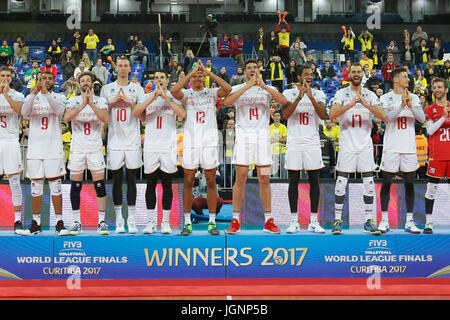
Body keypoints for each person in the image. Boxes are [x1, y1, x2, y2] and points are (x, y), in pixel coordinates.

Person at [223, 59, 287, 234]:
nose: (252, 70)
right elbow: (227, 103)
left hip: (262, 139)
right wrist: (248, 85)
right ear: (245, 71)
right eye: (249, 68)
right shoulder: (237, 88)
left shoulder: (267, 89)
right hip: (243, 137)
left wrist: (263, 86)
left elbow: (283, 101)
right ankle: (235, 219)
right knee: (241, 177)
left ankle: (268, 220)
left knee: (264, 178)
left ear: (259, 70)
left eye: (255, 68)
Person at [171, 60, 231, 236]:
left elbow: (227, 89)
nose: (198, 78)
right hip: (190, 142)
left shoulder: (211, 93)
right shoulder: (187, 94)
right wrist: (190, 73)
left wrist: (207, 71)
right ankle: (187, 222)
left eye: (200, 76)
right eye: (195, 76)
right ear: (191, 79)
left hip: (209, 141)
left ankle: (212, 222)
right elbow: (174, 91)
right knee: (189, 182)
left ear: (204, 78)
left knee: (211, 181)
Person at [329, 63, 386, 235]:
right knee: (341, 183)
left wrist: (365, 104)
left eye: (358, 72)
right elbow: (332, 115)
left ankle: (369, 220)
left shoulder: (369, 95)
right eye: (353, 72)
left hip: (364, 145)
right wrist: (352, 103)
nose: (356, 74)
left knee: (369, 183)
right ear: (349, 74)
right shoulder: (341, 93)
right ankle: (337, 220)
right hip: (347, 145)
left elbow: (382, 117)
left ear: (363, 74)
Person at [132, 69, 186, 234]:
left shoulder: (174, 96)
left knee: (167, 184)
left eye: (162, 77)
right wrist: (154, 97)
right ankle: (150, 222)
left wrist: (166, 98)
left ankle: (165, 222)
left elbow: (182, 115)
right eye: (156, 77)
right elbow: (135, 113)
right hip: (151, 146)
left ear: (167, 80)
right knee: (151, 184)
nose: (159, 80)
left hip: (168, 146)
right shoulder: (146, 97)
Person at [100, 56, 146, 234]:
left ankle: (132, 218)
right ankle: (119, 219)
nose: (122, 68)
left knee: (132, 179)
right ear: (116, 68)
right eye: (120, 66)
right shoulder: (106, 89)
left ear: (130, 69)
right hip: (114, 140)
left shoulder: (137, 89)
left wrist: (129, 102)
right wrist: (111, 104)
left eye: (126, 66)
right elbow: (102, 116)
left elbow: (142, 116)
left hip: (132, 138)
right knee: (117, 179)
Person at [378, 68, 426, 234]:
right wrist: (401, 105)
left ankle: (410, 221)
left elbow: (422, 118)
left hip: (409, 147)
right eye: (405, 76)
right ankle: (384, 220)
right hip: (391, 146)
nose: (408, 79)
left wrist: (410, 105)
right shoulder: (385, 98)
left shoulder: (413, 97)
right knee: (386, 183)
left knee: (409, 183)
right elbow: (385, 118)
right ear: (396, 79)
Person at [282, 65, 328, 233]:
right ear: (299, 76)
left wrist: (310, 96)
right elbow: (285, 115)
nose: (309, 76)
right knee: (293, 181)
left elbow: (323, 115)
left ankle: (314, 221)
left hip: (312, 142)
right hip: (294, 142)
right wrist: (300, 97)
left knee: (314, 182)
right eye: (306, 74)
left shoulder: (319, 93)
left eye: (311, 74)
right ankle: (294, 221)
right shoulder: (288, 93)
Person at [21, 71, 68, 235]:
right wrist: (34, 92)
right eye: (42, 78)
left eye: (49, 78)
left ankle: (59, 222)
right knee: (36, 187)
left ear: (53, 81)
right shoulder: (31, 97)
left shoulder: (59, 97)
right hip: (35, 149)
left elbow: (59, 111)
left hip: (53, 148)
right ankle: (35, 222)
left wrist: (46, 93)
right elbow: (25, 112)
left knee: (55, 186)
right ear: (37, 80)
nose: (45, 81)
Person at [63, 71, 110, 235]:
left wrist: (91, 104)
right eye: (82, 80)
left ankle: (101, 222)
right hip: (77, 149)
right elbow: (67, 117)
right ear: (78, 83)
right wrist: (83, 104)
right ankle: (77, 222)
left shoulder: (101, 101)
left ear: (92, 83)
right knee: (75, 186)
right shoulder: (72, 101)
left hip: (95, 148)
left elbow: (105, 119)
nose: (85, 83)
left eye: (88, 80)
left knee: (100, 186)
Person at [423, 78, 450, 234]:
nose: (437, 90)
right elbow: (430, 131)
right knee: (431, 188)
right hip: (437, 155)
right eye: (434, 87)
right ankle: (429, 222)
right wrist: (443, 116)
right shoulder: (429, 109)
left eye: (440, 87)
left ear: (446, 90)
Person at [0, 66, 25, 234]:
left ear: (12, 77)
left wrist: (6, 94)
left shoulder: (18, 95)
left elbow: (20, 111)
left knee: (14, 181)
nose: (5, 78)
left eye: (8, 75)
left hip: (10, 140)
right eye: (2, 75)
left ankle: (17, 220)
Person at [269, 110, 287, 178]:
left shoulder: (283, 127)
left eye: (278, 116)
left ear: (280, 117)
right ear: (273, 117)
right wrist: (280, 138)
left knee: (283, 167)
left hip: (282, 150)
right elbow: (269, 140)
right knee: (274, 168)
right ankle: (275, 181)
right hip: (273, 151)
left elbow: (285, 139)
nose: (276, 117)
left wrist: (275, 139)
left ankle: (284, 181)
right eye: (275, 116)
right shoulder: (269, 127)